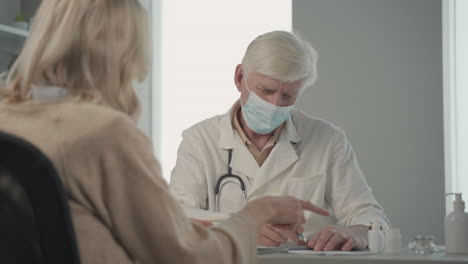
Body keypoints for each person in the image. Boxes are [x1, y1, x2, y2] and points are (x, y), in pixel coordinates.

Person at [0, 1, 329, 263]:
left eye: (287, 95)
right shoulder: (103, 135)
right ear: (124, 54)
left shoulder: (8, 119)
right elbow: (183, 255)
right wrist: (257, 214)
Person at [169, 30, 391, 251]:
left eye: (288, 96)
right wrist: (239, 227)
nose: (275, 104)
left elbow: (370, 216)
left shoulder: (327, 139)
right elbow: (176, 216)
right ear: (239, 78)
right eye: (266, 90)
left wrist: (359, 231)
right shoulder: (199, 140)